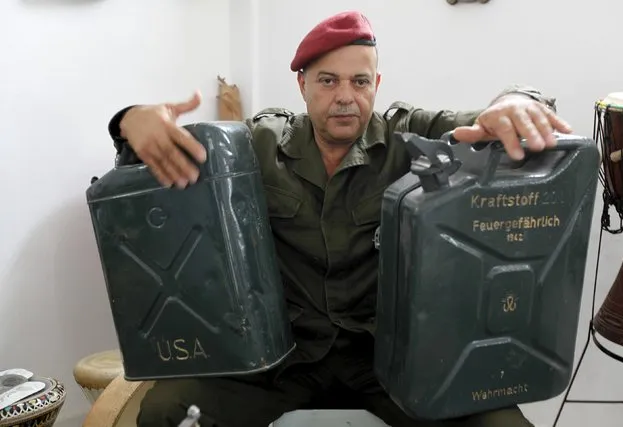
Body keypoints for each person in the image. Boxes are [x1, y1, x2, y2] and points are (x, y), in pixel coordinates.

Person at [106, 10, 571, 427]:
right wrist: (131, 121)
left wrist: (519, 101)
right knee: (168, 408)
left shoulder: (413, 136)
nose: (346, 97)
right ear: (302, 85)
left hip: (387, 360)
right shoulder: (257, 145)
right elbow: (162, 160)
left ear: (377, 84)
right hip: (281, 358)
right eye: (328, 81)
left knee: (499, 424)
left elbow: (493, 120)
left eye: (360, 82)